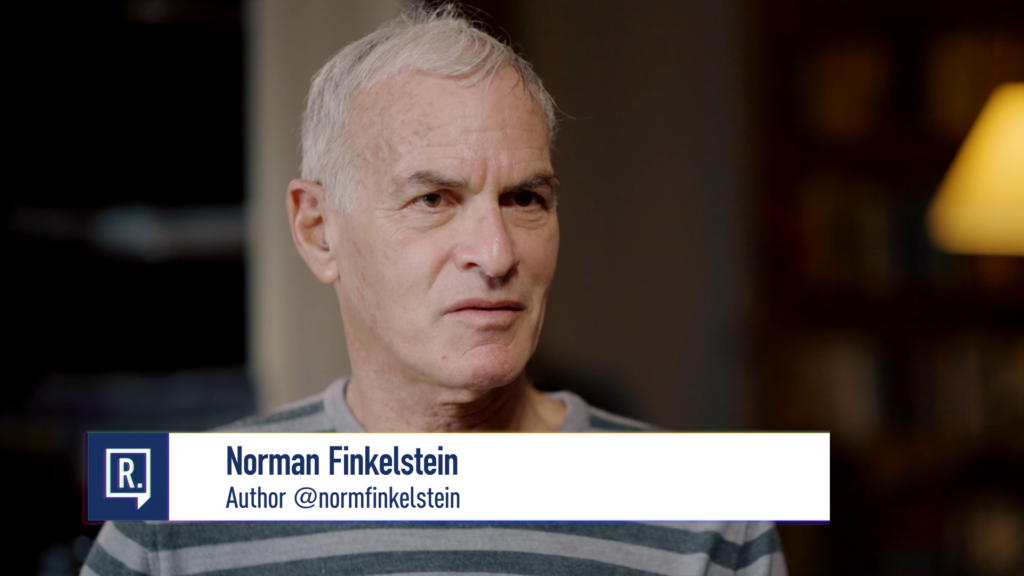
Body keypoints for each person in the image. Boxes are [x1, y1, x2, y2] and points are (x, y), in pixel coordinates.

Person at [82, 5, 787, 575]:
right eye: (433, 199)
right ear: (318, 231)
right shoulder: (170, 518)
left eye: (525, 199)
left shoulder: (712, 515)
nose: (497, 254)